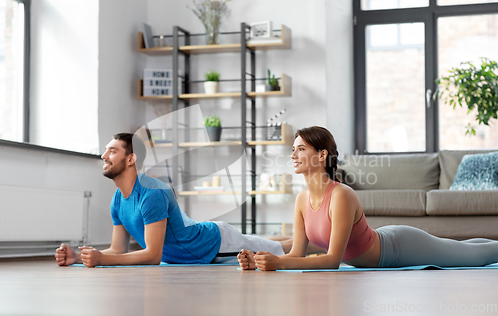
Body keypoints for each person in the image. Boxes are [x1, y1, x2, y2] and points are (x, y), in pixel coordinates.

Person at [238, 126, 498, 271]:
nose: (293, 155)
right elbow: (298, 252)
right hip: (388, 242)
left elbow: (332, 261)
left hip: (398, 248)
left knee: (473, 256)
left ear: (321, 155)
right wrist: (260, 259)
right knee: (464, 246)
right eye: (292, 150)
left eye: (301, 149)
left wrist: (278, 265)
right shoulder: (302, 200)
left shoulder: (341, 195)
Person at [55, 133, 295, 267]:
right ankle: (306, 239)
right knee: (264, 241)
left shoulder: (152, 194)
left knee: (279, 250)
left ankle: (319, 243)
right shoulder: (118, 199)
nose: (104, 156)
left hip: (211, 246)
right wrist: (78, 257)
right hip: (202, 243)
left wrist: (103, 260)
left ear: (131, 160)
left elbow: (152, 256)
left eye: (112, 151)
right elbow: (118, 249)